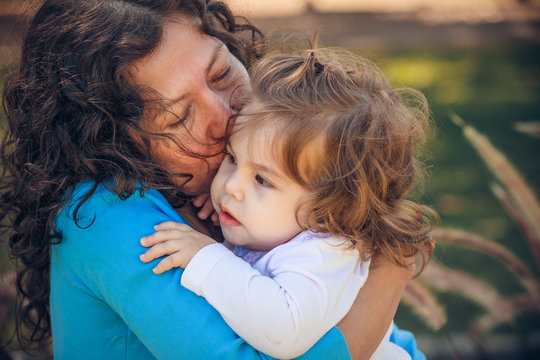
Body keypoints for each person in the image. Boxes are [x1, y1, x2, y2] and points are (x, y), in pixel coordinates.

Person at [0, 0, 424, 359]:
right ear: (110, 140)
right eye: (181, 115)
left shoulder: (236, 192)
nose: (227, 116)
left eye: (222, 74)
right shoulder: (102, 215)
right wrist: (385, 281)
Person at [138, 49, 436, 359]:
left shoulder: (325, 254)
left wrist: (206, 258)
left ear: (330, 211)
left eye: (263, 180)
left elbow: (284, 330)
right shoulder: (283, 231)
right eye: (232, 158)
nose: (232, 186)